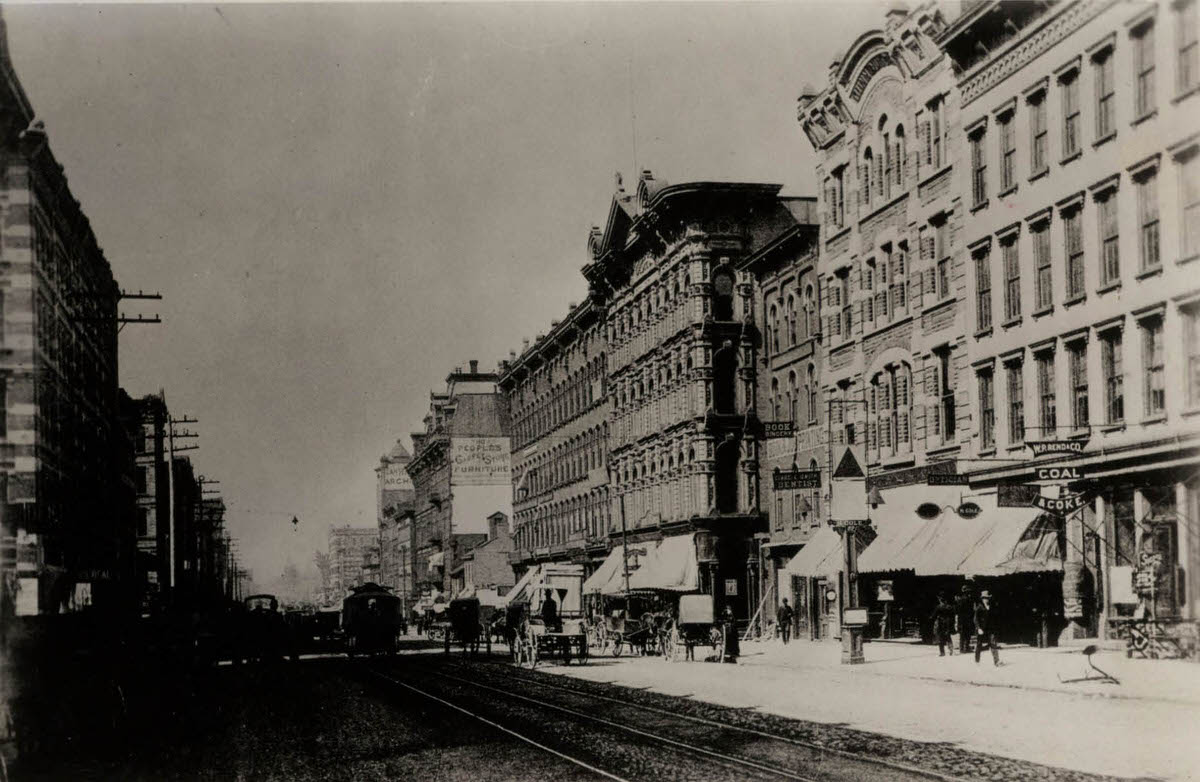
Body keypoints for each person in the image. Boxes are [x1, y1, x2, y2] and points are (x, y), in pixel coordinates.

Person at [974, 590, 1000, 666]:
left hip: (990, 629)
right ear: (982, 599)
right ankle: (977, 660)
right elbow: (975, 619)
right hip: (981, 629)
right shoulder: (979, 607)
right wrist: (978, 628)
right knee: (979, 645)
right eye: (985, 598)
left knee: (993, 644)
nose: (986, 599)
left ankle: (996, 661)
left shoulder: (991, 607)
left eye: (987, 598)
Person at [931, 592, 955, 657]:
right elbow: (953, 615)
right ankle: (951, 650)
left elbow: (933, 616)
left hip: (941, 623)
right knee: (948, 637)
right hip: (948, 623)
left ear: (940, 599)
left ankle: (942, 652)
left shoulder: (938, 607)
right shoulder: (950, 607)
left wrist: (931, 618)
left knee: (940, 638)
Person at [955, 584, 975, 654]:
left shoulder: (961, 600)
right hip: (965, 619)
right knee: (965, 634)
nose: (968, 593)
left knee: (964, 634)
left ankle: (964, 648)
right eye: (967, 592)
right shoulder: (965, 599)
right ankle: (964, 648)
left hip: (964, 619)